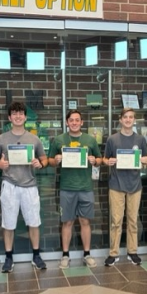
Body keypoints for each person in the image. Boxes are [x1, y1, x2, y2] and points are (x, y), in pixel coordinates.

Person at [0, 101, 48, 272]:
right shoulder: (1, 139)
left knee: (34, 222)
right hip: (9, 185)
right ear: (9, 118)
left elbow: (44, 158)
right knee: (8, 223)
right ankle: (9, 258)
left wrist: (41, 163)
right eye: (14, 113)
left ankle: (36, 256)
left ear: (25, 117)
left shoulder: (34, 139)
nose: (17, 116)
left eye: (20, 113)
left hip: (30, 185)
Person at [48, 109, 102, 269]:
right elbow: (50, 160)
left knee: (85, 221)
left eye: (77, 120)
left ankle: (87, 254)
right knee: (67, 222)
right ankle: (65, 255)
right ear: (66, 122)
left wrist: (94, 160)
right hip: (67, 188)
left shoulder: (90, 140)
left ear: (82, 122)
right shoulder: (59, 140)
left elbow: (100, 159)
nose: (74, 123)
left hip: (85, 187)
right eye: (71, 120)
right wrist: (56, 160)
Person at [103, 107, 147, 266]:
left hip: (135, 185)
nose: (128, 120)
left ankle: (132, 251)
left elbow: (145, 159)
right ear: (120, 120)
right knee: (116, 221)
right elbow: (105, 159)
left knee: (133, 220)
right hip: (116, 184)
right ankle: (113, 253)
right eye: (125, 117)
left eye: (131, 117)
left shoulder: (140, 139)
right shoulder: (112, 139)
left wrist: (145, 160)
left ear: (134, 120)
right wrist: (107, 162)